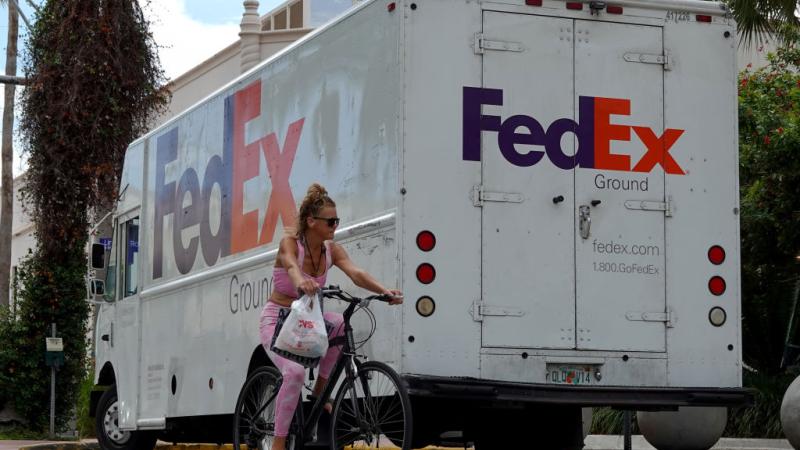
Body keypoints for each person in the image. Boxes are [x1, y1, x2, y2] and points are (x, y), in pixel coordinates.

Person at [258, 183, 403, 450]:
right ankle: (278, 442)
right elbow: (290, 265)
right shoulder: (290, 244)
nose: (335, 225)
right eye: (330, 221)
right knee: (295, 372)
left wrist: (384, 291)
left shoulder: (331, 250)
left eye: (337, 220)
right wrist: (301, 281)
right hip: (278, 320)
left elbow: (356, 273)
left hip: (306, 322)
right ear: (311, 221)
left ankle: (319, 393)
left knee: (338, 323)